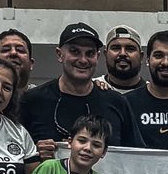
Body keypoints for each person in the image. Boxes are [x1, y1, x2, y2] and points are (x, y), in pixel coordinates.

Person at [19, 22, 143, 150]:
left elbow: (137, 157)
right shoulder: (32, 101)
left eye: (90, 53)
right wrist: (35, 154)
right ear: (59, 54)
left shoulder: (117, 103)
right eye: (75, 52)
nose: (83, 60)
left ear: (98, 57)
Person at [99, 25, 144, 92]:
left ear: (141, 56)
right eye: (116, 48)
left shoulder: (154, 93)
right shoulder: (92, 89)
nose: (122, 54)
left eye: (130, 49)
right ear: (106, 54)